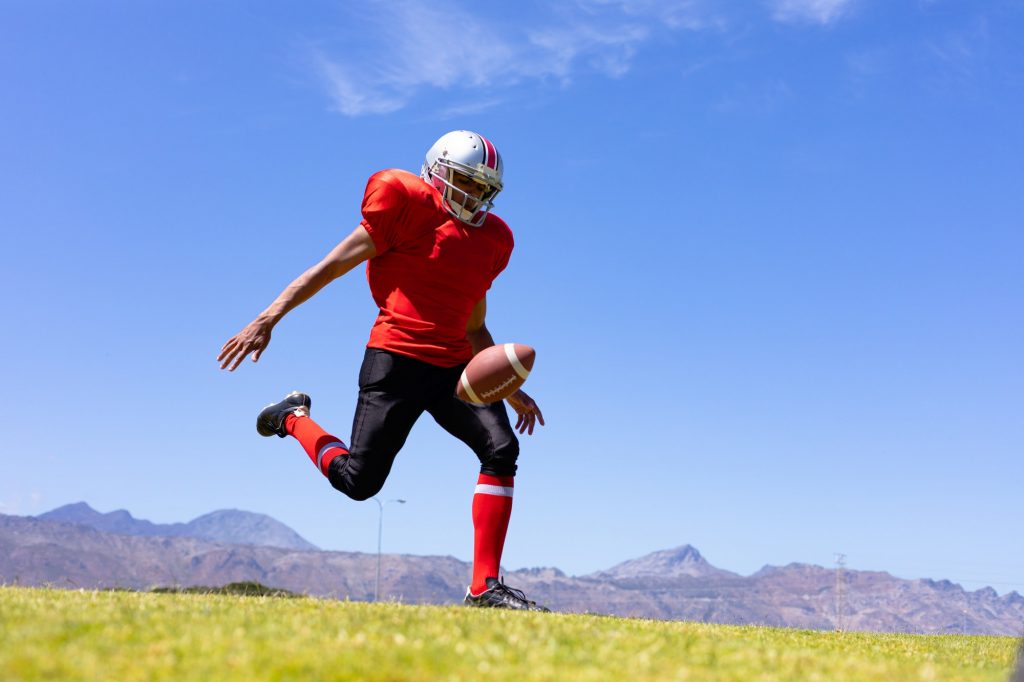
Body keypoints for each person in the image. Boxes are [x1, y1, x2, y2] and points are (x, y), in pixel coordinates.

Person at [218, 130, 548, 611]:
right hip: (396, 360)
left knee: (501, 447)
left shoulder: (491, 241)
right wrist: (269, 317)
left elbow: (474, 322)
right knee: (359, 483)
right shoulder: (406, 205)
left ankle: (484, 587)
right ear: (435, 171)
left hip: (453, 369)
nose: (473, 195)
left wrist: (510, 388)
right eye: (465, 182)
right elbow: (329, 267)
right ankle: (292, 417)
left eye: (482, 188)